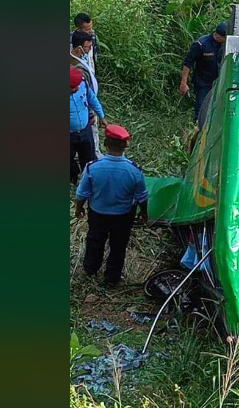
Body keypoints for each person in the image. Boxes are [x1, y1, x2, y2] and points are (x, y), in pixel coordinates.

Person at [75, 124, 149, 286]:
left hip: (98, 214)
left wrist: (79, 209)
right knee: (118, 246)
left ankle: (91, 269)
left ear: (105, 145)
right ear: (125, 146)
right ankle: (112, 278)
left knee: (95, 241)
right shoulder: (134, 170)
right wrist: (144, 213)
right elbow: (142, 196)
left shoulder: (92, 168)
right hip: (123, 216)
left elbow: (81, 194)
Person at [180, 22, 228, 126]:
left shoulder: (225, 45)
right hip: (203, 83)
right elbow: (188, 63)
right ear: (218, 36)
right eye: (225, 38)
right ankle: (197, 133)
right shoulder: (201, 44)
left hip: (219, 82)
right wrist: (184, 83)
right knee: (201, 110)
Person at [70, 66, 107, 184]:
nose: (78, 88)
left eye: (78, 84)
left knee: (89, 157)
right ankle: (73, 178)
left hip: (85, 130)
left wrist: (102, 116)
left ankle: (89, 178)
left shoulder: (83, 85)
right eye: (74, 87)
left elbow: (92, 99)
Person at [70, 30, 104, 158]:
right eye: (88, 47)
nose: (90, 50)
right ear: (79, 48)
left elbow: (89, 94)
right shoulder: (73, 69)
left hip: (86, 110)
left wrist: (100, 114)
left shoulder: (80, 60)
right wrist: (90, 113)